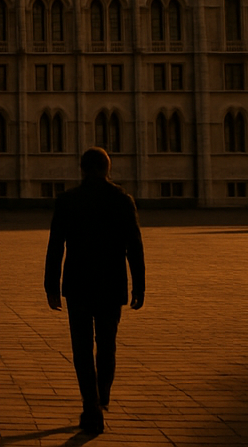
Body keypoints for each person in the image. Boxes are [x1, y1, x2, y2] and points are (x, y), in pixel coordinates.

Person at [44, 147, 145, 436]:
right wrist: (139, 284)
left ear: (82, 169)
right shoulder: (122, 200)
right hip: (111, 285)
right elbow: (134, 247)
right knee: (107, 344)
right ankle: (101, 398)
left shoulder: (67, 201)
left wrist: (51, 286)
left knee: (82, 348)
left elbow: (56, 246)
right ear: (107, 169)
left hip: (78, 285)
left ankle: (91, 405)